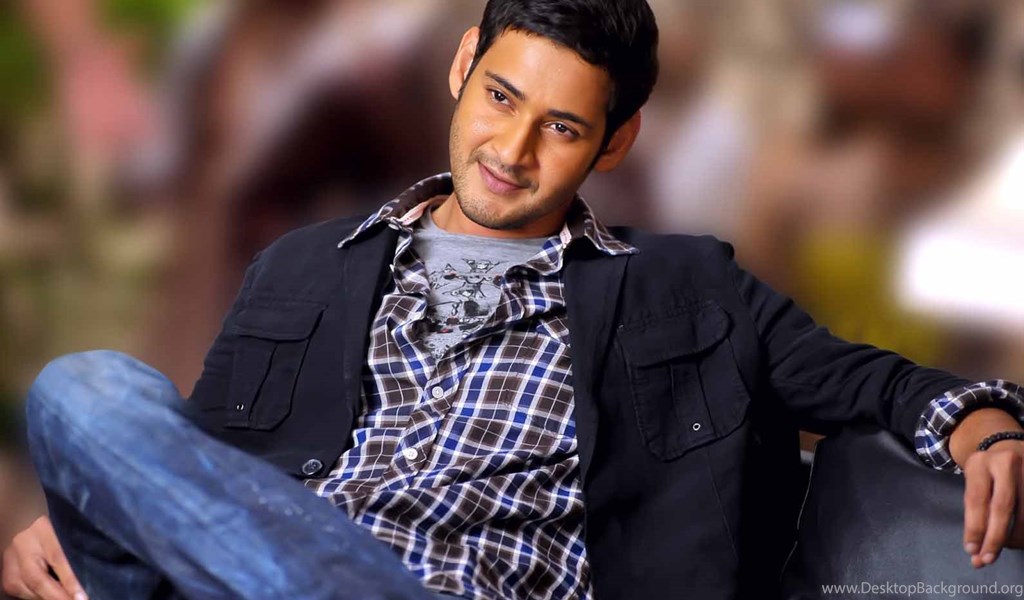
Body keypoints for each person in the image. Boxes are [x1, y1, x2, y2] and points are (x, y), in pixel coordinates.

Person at [3, 1, 1024, 599]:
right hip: (270, 570)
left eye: (562, 128)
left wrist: (986, 426)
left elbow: (877, 383)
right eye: (500, 97)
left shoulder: (686, 286)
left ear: (614, 143)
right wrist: (101, 509)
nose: (513, 150)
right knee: (83, 388)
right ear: (463, 65)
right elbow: (213, 463)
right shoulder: (303, 266)